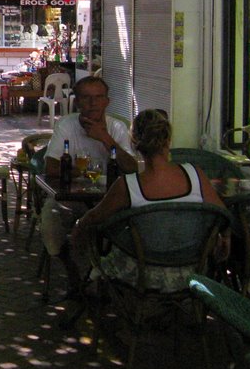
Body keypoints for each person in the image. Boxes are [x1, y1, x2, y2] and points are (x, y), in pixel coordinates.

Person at [71, 109, 229, 291]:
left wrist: (77, 227)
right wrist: (225, 237)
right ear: (168, 140)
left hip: (142, 272)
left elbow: (93, 218)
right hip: (193, 267)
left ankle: (85, 290)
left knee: (93, 236)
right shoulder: (195, 175)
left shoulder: (128, 186)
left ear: (134, 143)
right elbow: (222, 214)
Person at [40, 75, 137, 287]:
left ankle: (101, 274)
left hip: (111, 199)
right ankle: (72, 269)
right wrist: (80, 172)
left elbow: (131, 168)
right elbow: (51, 166)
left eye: (98, 97)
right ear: (78, 101)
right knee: (50, 217)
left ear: (107, 101)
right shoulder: (66, 125)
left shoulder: (117, 128)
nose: (93, 103)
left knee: (127, 226)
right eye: (86, 98)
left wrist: (105, 138)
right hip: (73, 198)